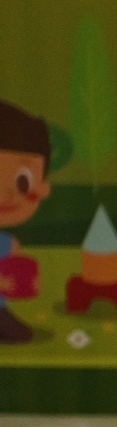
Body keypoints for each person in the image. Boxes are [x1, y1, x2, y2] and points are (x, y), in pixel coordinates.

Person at [0, 101, 52, 344]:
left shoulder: (8, 242)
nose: (6, 195)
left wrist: (28, 280)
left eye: (23, 182)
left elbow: (19, 267)